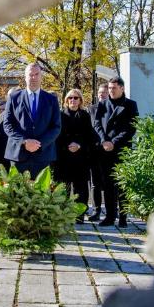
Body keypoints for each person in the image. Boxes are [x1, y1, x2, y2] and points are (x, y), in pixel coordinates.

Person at [92, 77, 138, 227]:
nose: (110, 90)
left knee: (122, 184)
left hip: (121, 149)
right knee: (108, 184)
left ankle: (123, 217)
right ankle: (110, 216)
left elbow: (131, 128)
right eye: (110, 88)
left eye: (114, 88)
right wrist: (104, 141)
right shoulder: (102, 104)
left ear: (122, 88)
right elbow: (97, 124)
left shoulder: (130, 105)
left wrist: (114, 142)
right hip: (104, 150)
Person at [3, 63, 61, 178]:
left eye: (36, 74)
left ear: (41, 77)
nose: (33, 77)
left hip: (43, 155)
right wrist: (24, 141)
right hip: (18, 155)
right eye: (30, 75)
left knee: (42, 194)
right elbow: (8, 125)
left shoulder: (51, 100)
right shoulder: (14, 98)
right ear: (25, 77)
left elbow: (56, 127)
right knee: (17, 194)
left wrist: (39, 144)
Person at [53, 89, 97, 223]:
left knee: (81, 189)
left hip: (80, 158)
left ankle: (79, 215)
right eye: (70, 98)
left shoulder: (85, 115)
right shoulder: (60, 115)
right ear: (66, 100)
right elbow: (56, 135)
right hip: (63, 157)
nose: (73, 100)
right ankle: (62, 215)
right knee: (62, 188)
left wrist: (79, 145)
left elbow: (89, 136)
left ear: (80, 100)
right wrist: (67, 145)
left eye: (76, 98)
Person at [87, 83, 109, 221]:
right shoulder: (91, 109)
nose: (101, 94)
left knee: (109, 182)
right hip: (94, 151)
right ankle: (96, 210)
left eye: (104, 92)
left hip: (109, 151)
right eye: (100, 92)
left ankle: (111, 209)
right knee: (95, 183)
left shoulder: (113, 108)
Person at [0, 87, 19, 174]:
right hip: (3, 158)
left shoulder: (27, 113)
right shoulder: (2, 116)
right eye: (11, 96)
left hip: (21, 158)